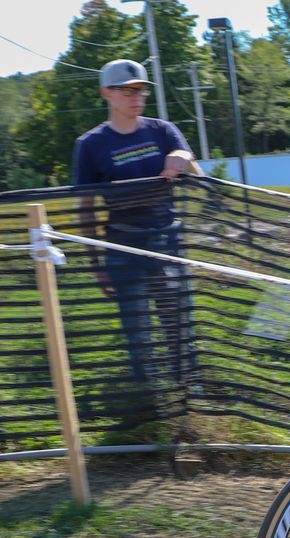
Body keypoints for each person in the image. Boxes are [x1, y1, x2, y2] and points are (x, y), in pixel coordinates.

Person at [72, 59, 203, 392]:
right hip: (123, 249)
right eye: (127, 90)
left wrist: (183, 159)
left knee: (179, 324)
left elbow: (195, 169)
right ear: (106, 93)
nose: (136, 96)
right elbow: (85, 209)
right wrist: (96, 264)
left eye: (140, 89)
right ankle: (150, 403)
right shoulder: (90, 145)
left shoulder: (162, 130)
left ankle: (189, 393)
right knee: (138, 332)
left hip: (168, 243)